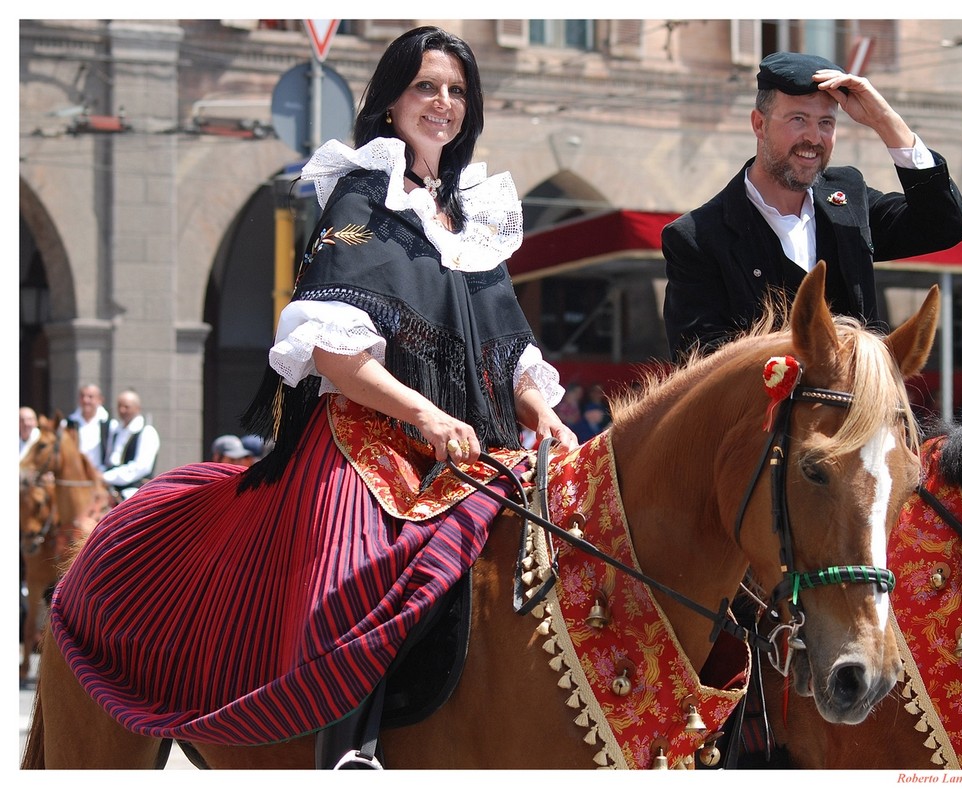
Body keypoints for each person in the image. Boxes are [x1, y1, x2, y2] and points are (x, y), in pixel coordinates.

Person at [49, 27, 578, 751]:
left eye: (456, 91)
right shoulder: (364, 192)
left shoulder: (472, 214)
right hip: (371, 438)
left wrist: (542, 409)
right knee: (358, 568)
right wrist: (422, 411)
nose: (443, 104)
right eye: (426, 86)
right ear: (392, 101)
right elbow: (331, 347)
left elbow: (507, 351)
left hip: (471, 450)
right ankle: (348, 750)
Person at [661, 51, 962, 361]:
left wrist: (886, 122)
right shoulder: (697, 237)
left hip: (866, 407)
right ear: (759, 124)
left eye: (826, 122)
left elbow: (945, 224)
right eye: (798, 119)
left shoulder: (848, 198)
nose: (814, 137)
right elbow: (699, 365)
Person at [101, 388, 160, 500]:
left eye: (126, 407)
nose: (122, 410)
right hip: (112, 488)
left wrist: (106, 477)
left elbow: (140, 468)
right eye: (119, 406)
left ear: (137, 408)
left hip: (135, 491)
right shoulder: (115, 431)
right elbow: (109, 461)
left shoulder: (147, 432)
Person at [63, 383, 111, 471]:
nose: (85, 400)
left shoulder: (110, 425)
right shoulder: (67, 424)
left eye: (90, 397)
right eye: (82, 396)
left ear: (100, 400)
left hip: (100, 475)